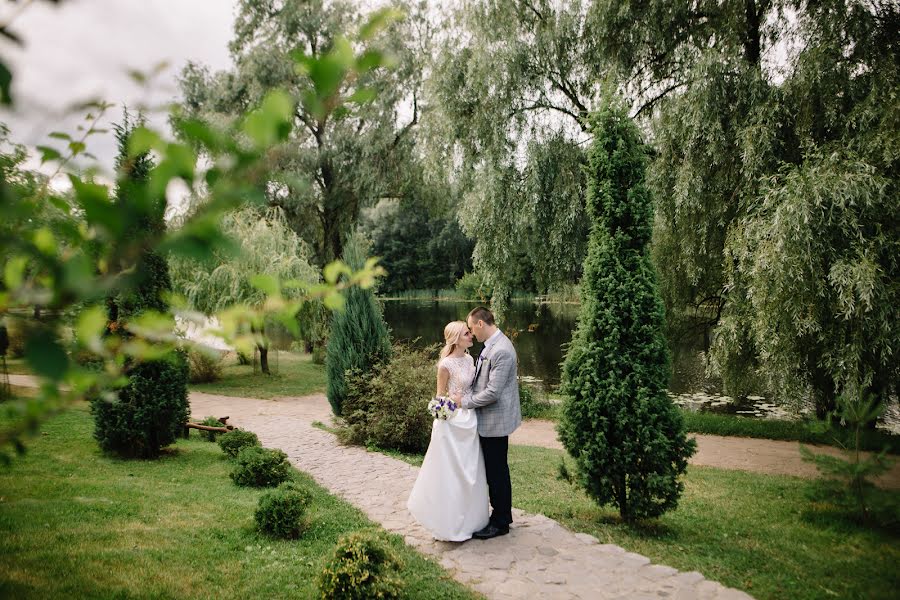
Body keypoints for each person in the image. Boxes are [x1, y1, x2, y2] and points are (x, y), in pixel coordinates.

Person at [406, 321, 490, 541]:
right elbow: (440, 396)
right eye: (466, 333)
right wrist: (447, 411)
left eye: (470, 332)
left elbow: (472, 389)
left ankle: (473, 520)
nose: (471, 335)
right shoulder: (445, 365)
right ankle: (449, 523)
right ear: (456, 339)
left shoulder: (470, 359)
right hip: (452, 424)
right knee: (453, 473)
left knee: (470, 471)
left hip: (469, 420)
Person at [454, 306, 521, 539]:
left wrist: (464, 402)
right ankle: (501, 515)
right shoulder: (490, 345)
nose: (471, 334)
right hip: (488, 418)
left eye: (472, 328)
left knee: (497, 472)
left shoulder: (501, 350)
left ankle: (501, 521)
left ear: (480, 324)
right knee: (494, 469)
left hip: (496, 421)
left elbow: (492, 392)